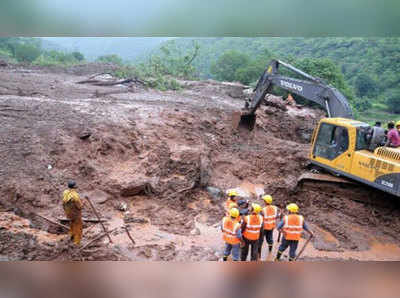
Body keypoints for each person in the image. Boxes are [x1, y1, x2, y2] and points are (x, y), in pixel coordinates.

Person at [62, 181, 83, 245]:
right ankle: (77, 242)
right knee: (78, 227)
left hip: (68, 213)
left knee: (72, 224)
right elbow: (79, 206)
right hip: (75, 215)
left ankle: (71, 237)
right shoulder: (75, 196)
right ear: (74, 186)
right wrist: (83, 203)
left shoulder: (65, 192)